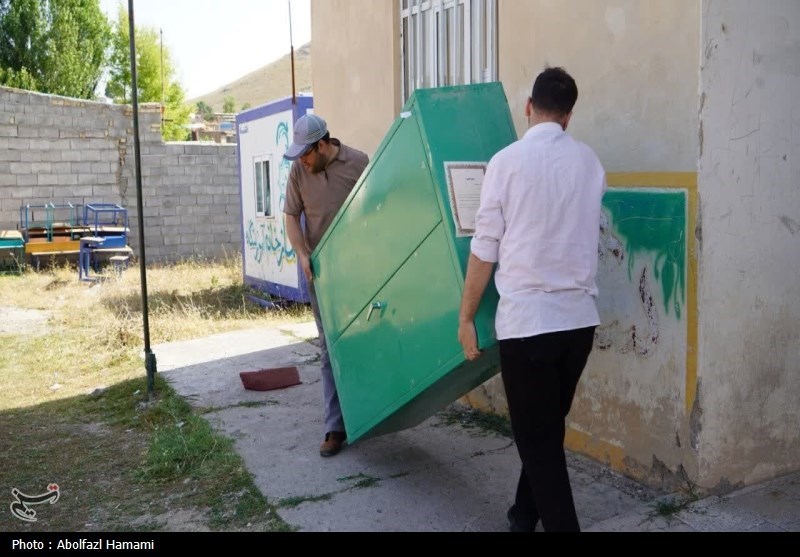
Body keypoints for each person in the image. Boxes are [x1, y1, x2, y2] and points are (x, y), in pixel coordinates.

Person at [457, 67, 606, 532]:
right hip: (579, 323)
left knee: (537, 440)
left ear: (528, 107)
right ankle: (523, 516)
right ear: (568, 116)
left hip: (529, 326)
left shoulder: (506, 162)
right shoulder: (590, 163)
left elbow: (485, 249)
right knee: (545, 430)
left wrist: (466, 317)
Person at [283, 113, 369, 458]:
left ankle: (369, 414)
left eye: (306, 153)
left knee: (364, 339)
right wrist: (303, 253)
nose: (302, 160)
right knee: (329, 348)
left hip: (361, 271)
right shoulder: (299, 172)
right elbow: (290, 215)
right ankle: (335, 427)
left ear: (322, 145)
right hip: (323, 275)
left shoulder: (359, 162)